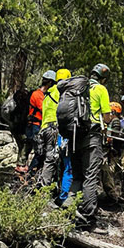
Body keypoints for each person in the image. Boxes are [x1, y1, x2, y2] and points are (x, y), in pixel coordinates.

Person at [67, 63, 113, 228]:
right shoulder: (100, 89)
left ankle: (68, 207)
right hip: (91, 137)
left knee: (77, 176)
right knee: (90, 176)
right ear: (103, 77)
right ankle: (88, 217)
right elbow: (106, 118)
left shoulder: (77, 87)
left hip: (73, 136)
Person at [37, 68, 73, 203]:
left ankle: (44, 185)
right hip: (54, 128)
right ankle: (47, 189)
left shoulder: (48, 93)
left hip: (44, 129)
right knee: (53, 160)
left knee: (47, 158)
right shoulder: (61, 92)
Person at [18, 71, 56, 173]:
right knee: (40, 152)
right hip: (35, 126)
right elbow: (44, 109)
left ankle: (31, 172)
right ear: (50, 83)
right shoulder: (38, 95)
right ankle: (31, 173)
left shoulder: (44, 94)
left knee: (39, 151)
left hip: (38, 126)